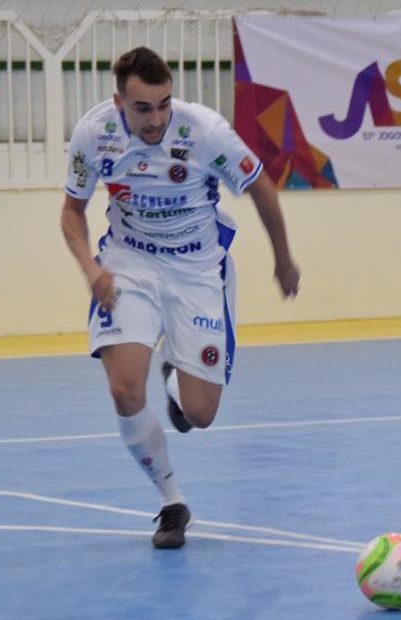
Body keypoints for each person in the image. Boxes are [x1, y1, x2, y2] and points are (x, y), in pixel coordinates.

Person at [61, 46, 300, 549]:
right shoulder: (94, 134)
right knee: (125, 390)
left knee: (200, 414)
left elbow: (262, 188)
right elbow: (72, 211)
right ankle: (172, 501)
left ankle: (175, 377)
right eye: (142, 108)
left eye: (163, 104)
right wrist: (91, 269)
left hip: (198, 271)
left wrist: (283, 259)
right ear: (119, 102)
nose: (156, 119)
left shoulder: (205, 131)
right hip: (129, 265)